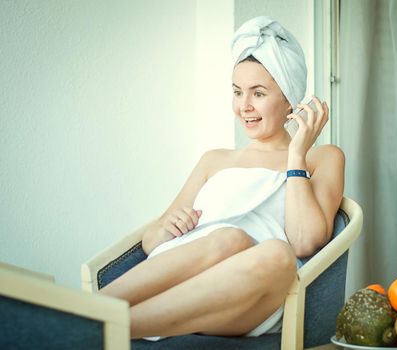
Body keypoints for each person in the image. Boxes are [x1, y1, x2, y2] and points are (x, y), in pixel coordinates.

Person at [99, 16, 345, 340]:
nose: (244, 106)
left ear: (289, 99)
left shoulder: (321, 158)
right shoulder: (215, 160)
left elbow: (305, 242)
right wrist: (169, 225)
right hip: (186, 275)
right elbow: (152, 240)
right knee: (230, 238)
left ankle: (97, 329)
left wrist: (296, 154)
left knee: (277, 254)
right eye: (237, 92)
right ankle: (92, 314)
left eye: (258, 93)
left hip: (251, 291)